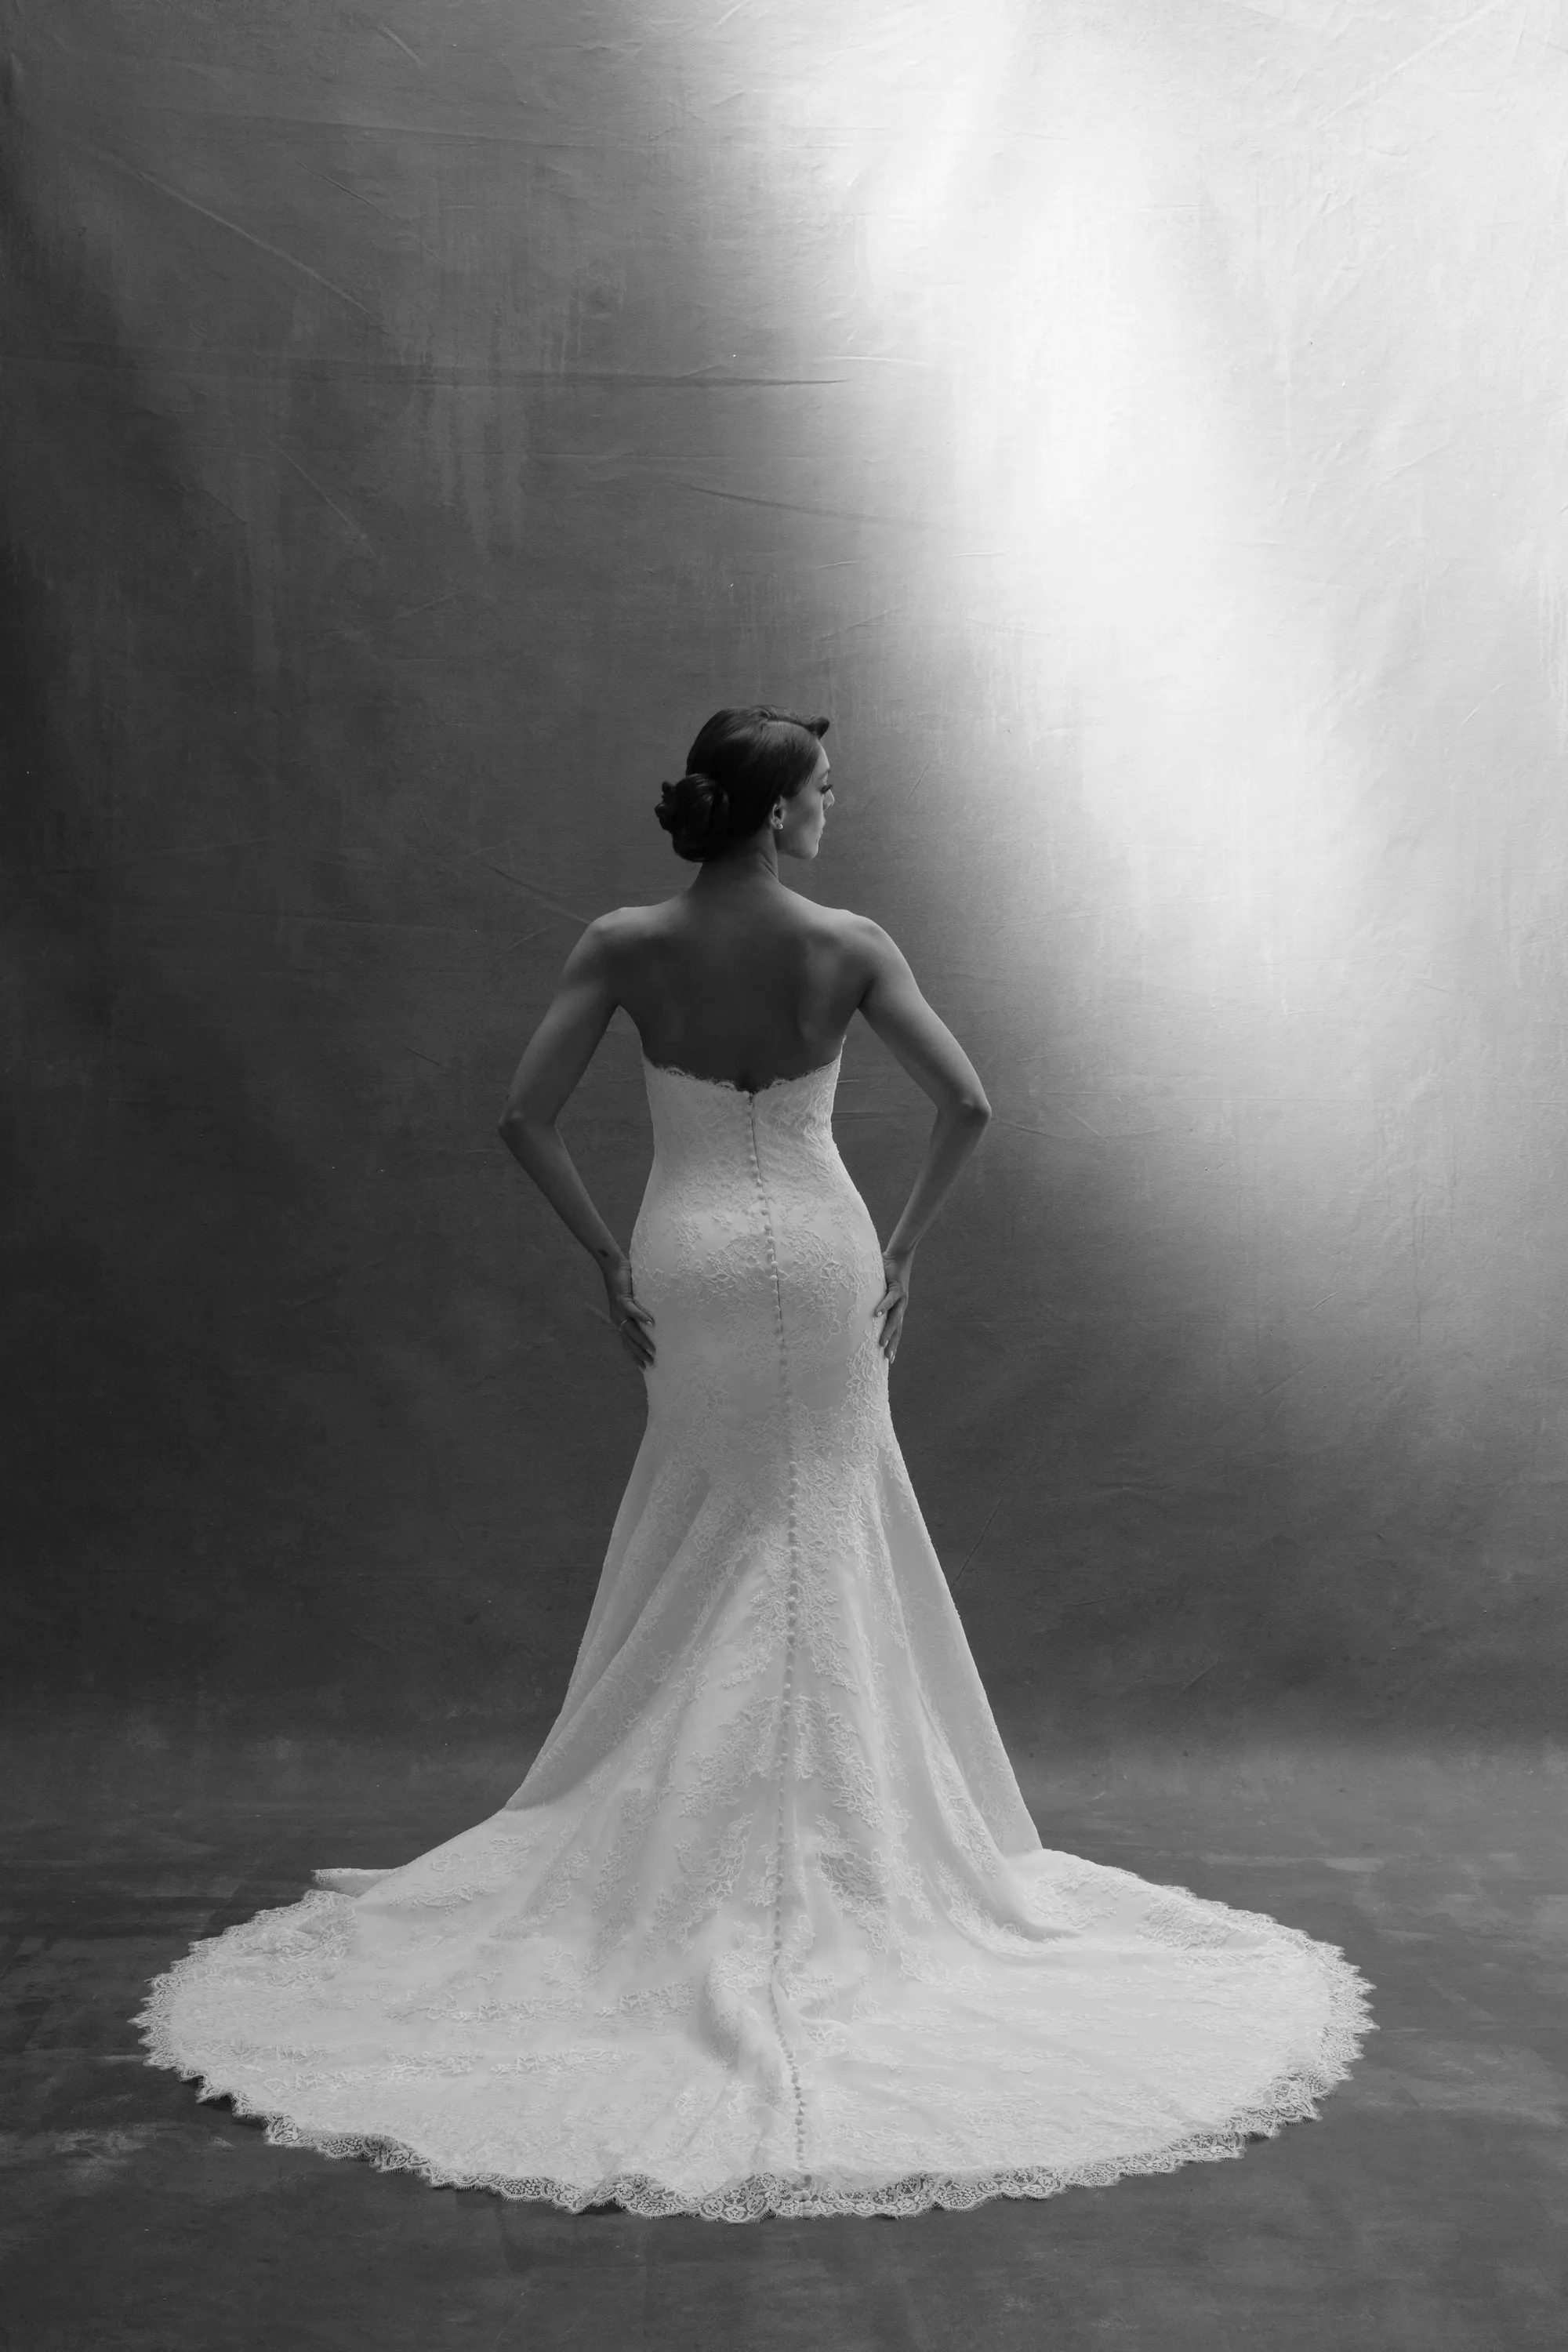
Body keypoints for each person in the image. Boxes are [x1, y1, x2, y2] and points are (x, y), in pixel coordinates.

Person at [137, 705, 1373, 2220]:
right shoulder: (850, 944)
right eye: (826, 791)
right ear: (780, 812)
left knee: (711, 1527)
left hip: (691, 1261)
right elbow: (970, 1103)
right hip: (825, 1265)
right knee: (822, 1532)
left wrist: (605, 1256)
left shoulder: (623, 941)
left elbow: (521, 1115)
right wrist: (903, 1247)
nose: (836, 809)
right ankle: (838, 1860)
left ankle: (681, 1863)